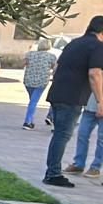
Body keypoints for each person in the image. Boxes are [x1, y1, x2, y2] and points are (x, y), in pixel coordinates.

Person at [42, 15, 103, 188]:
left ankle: (52, 171)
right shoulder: (97, 47)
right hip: (72, 97)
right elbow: (95, 74)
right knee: (63, 135)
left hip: (58, 94)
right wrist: (100, 101)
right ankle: (53, 174)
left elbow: (57, 68)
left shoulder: (74, 43)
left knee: (59, 134)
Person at [22, 36, 58, 130]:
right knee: (33, 101)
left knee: (32, 100)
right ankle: (27, 121)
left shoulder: (29, 54)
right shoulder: (51, 56)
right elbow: (54, 69)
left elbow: (23, 64)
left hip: (28, 80)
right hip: (41, 82)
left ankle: (30, 120)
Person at [66, 88, 103, 178]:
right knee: (82, 134)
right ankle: (78, 164)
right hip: (89, 106)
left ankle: (95, 167)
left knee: (101, 139)